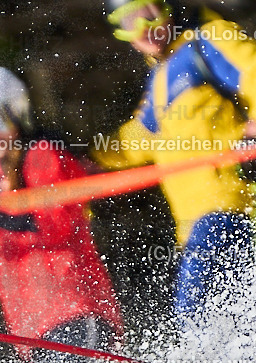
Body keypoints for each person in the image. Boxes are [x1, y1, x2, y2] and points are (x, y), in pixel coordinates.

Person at [92, 0, 256, 332]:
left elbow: (252, 71)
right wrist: (86, 158)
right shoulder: (160, 80)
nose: (144, 29)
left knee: (194, 315)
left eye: (149, 14)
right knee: (229, 319)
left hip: (228, 207)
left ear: (169, 7)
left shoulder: (206, 41)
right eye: (130, 23)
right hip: (193, 226)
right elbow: (138, 139)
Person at [0, 66, 124, 363]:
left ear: (15, 111)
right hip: (35, 335)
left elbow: (57, 224)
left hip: (75, 312)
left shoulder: (43, 155)